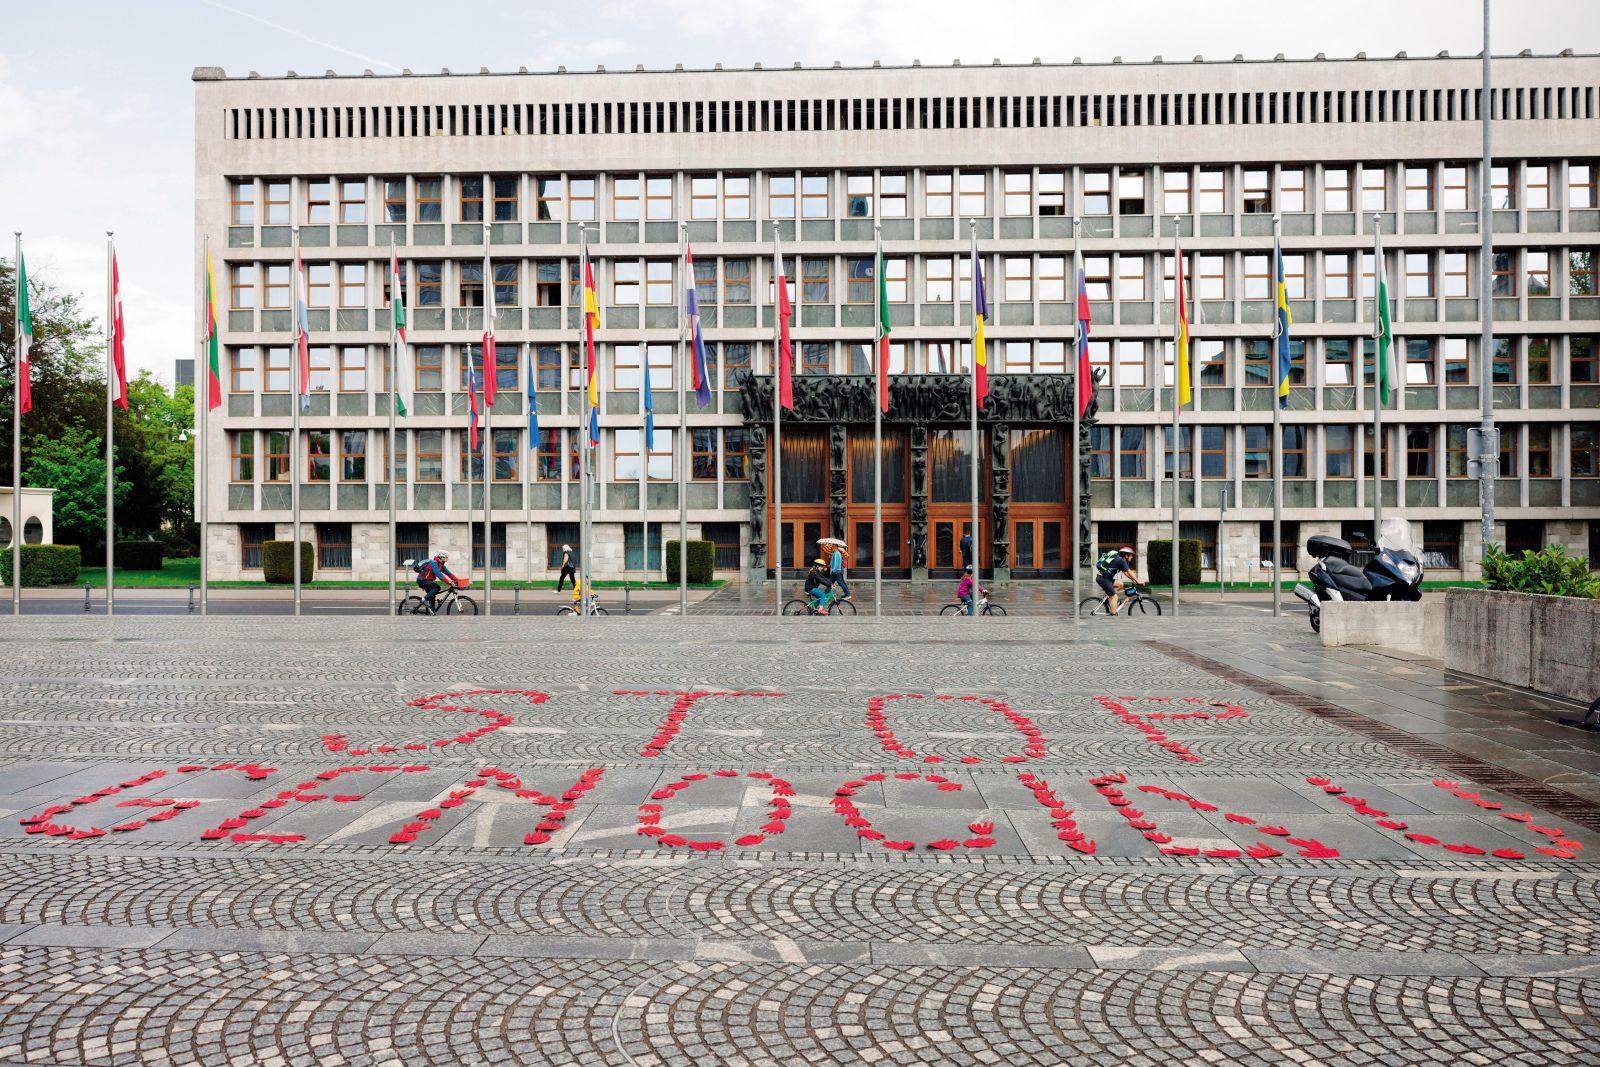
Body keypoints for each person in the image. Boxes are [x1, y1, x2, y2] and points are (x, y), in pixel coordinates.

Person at [1095, 547, 1140, 615]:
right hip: (1104, 579)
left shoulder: (1120, 560)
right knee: (1115, 597)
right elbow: (1129, 571)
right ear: (1126, 555)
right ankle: (1113, 616)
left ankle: (1110, 598)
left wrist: (1134, 580)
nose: (1132, 557)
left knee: (1120, 584)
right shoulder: (1120, 560)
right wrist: (1138, 581)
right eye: (1131, 555)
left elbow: (1126, 572)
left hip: (1106, 578)